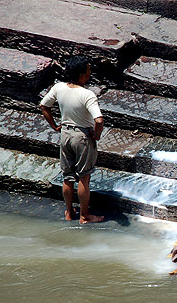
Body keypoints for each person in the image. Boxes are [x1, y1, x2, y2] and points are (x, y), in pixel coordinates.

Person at [40, 55, 105, 224]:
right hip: (82, 137)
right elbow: (99, 120)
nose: (90, 72)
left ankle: (69, 212)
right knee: (84, 177)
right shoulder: (87, 94)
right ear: (82, 74)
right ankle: (85, 215)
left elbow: (44, 106)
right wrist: (96, 135)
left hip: (65, 135)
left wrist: (54, 126)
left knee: (67, 177)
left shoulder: (59, 88)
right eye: (89, 70)